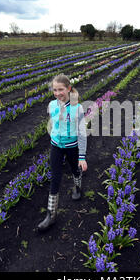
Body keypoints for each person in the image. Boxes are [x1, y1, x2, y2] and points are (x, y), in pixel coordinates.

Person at [37, 73, 88, 232]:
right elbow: (52, 124)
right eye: (55, 90)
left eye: (61, 90)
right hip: (56, 146)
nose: (58, 93)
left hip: (72, 146)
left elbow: (81, 132)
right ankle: (51, 216)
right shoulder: (52, 105)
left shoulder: (77, 107)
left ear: (69, 89)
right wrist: (54, 135)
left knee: (75, 170)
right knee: (55, 178)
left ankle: (78, 188)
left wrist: (82, 157)